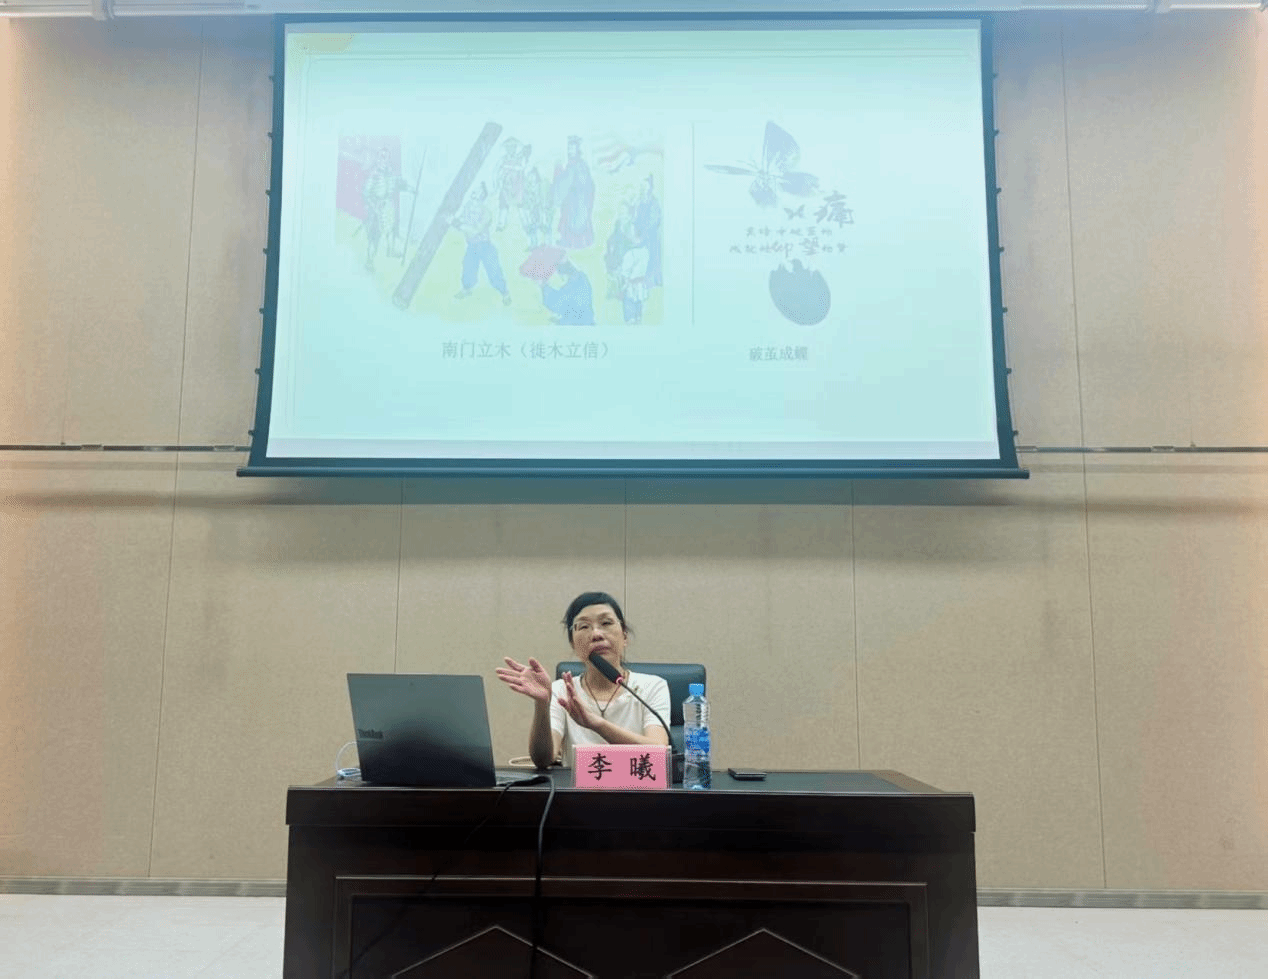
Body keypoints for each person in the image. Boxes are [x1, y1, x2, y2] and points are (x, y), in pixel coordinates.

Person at [496, 591, 670, 769]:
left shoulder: (652, 686)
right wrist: (542, 704)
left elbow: (659, 752)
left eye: (606, 623)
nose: (596, 634)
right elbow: (542, 759)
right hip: (577, 789)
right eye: (584, 626)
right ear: (573, 643)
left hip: (635, 786)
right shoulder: (562, 691)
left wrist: (598, 725)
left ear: (624, 636)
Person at [541, 260, 594, 325]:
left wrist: (544, 287)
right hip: (586, 322)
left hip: (578, 325)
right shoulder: (581, 278)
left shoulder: (574, 284)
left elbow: (558, 304)